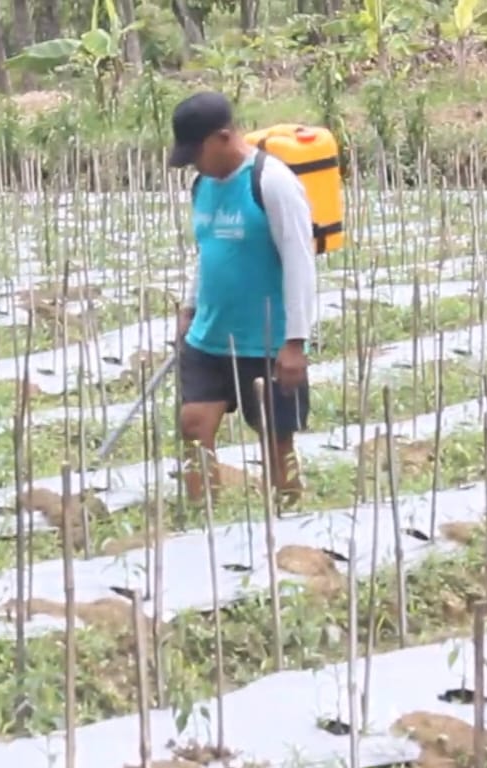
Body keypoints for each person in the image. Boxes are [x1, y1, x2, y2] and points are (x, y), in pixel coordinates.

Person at [167, 90, 317, 507]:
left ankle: (287, 519)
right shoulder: (202, 185)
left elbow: (301, 262)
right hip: (208, 334)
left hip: (265, 339)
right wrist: (189, 306)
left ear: (223, 138)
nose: (194, 164)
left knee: (275, 441)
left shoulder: (272, 182)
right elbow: (210, 252)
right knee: (195, 426)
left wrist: (295, 341)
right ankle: (202, 522)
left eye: (197, 152)